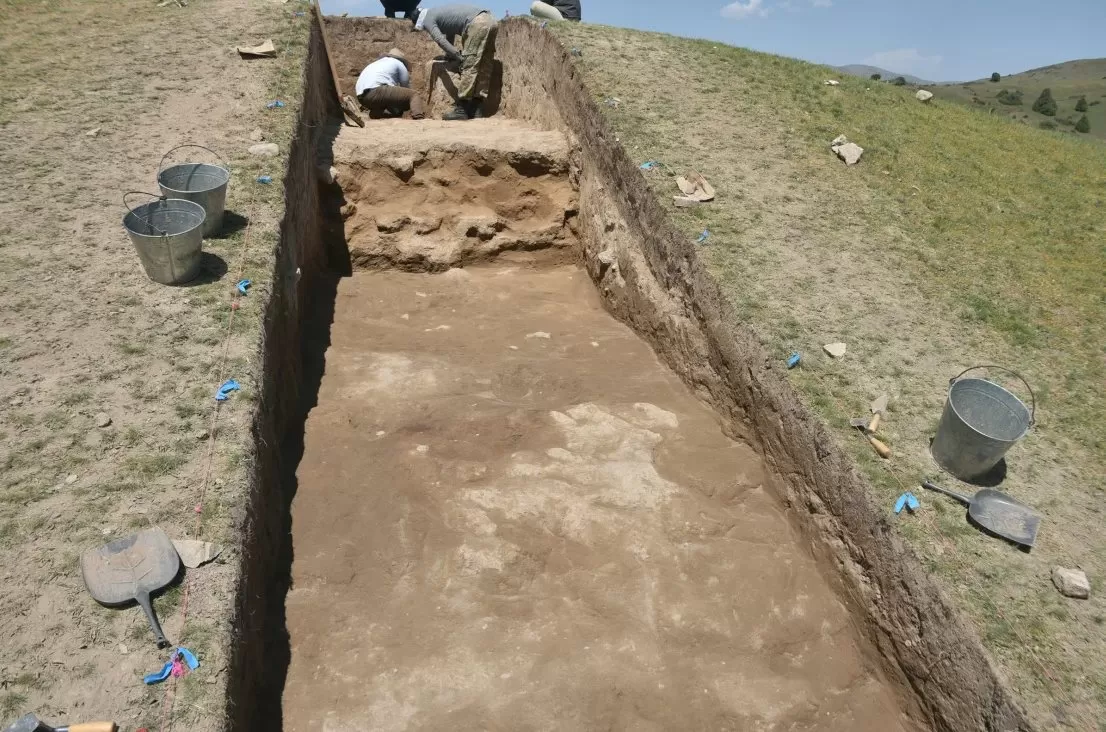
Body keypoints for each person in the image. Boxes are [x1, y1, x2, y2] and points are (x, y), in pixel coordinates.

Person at [413, 5, 497, 120]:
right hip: (490, 20)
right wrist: (449, 54)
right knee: (484, 65)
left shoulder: (427, 19)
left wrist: (457, 55)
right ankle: (477, 108)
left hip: (477, 24)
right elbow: (449, 33)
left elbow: (440, 40)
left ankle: (462, 109)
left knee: (469, 66)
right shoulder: (437, 12)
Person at [354, 49, 425, 119]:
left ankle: (376, 113)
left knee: (388, 102)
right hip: (377, 91)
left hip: (362, 98)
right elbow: (405, 85)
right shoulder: (398, 63)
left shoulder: (376, 63)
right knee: (413, 95)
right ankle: (418, 115)